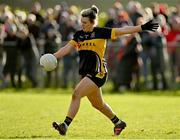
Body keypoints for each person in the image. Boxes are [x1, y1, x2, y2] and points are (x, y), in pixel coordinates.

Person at [51, 5, 158, 136]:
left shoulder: (101, 32)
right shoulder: (79, 35)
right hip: (86, 73)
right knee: (98, 104)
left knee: (76, 94)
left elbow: (122, 30)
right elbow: (67, 48)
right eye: (81, 22)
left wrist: (141, 28)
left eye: (85, 22)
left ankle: (65, 125)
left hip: (98, 72)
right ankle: (118, 122)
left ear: (92, 22)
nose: (82, 24)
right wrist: (53, 56)